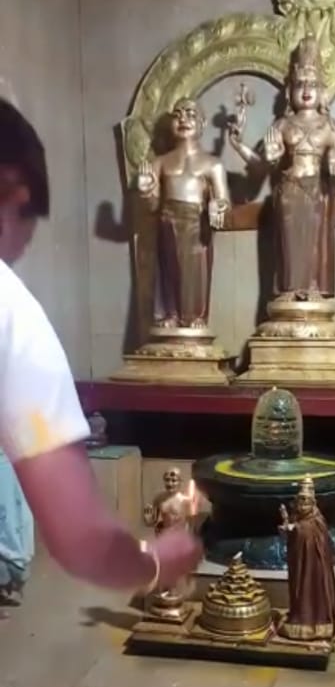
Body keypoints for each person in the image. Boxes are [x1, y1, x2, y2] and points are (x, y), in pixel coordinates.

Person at [0, 98, 203, 596]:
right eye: (33, 222)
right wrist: (155, 563)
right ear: (16, 192)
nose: (23, 247)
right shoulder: (10, 314)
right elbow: (83, 541)